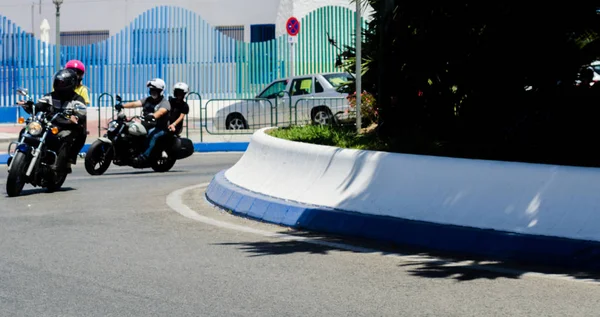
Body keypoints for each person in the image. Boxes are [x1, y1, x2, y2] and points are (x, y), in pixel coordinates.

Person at [25, 69, 87, 172]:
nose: (59, 84)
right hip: (48, 125)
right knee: (27, 130)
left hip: (65, 127)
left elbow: (81, 113)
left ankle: (59, 166)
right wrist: (29, 106)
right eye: (57, 82)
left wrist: (75, 117)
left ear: (70, 84)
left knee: (65, 137)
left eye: (62, 83)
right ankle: (22, 154)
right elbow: (39, 106)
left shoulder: (77, 99)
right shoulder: (50, 96)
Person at [115, 78, 171, 165]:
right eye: (151, 90)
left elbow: (161, 112)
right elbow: (135, 104)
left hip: (160, 128)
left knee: (153, 134)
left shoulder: (164, 103)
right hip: (146, 125)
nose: (153, 92)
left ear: (161, 91)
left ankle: (144, 156)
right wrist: (122, 106)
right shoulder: (148, 100)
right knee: (128, 129)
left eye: (155, 90)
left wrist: (153, 116)